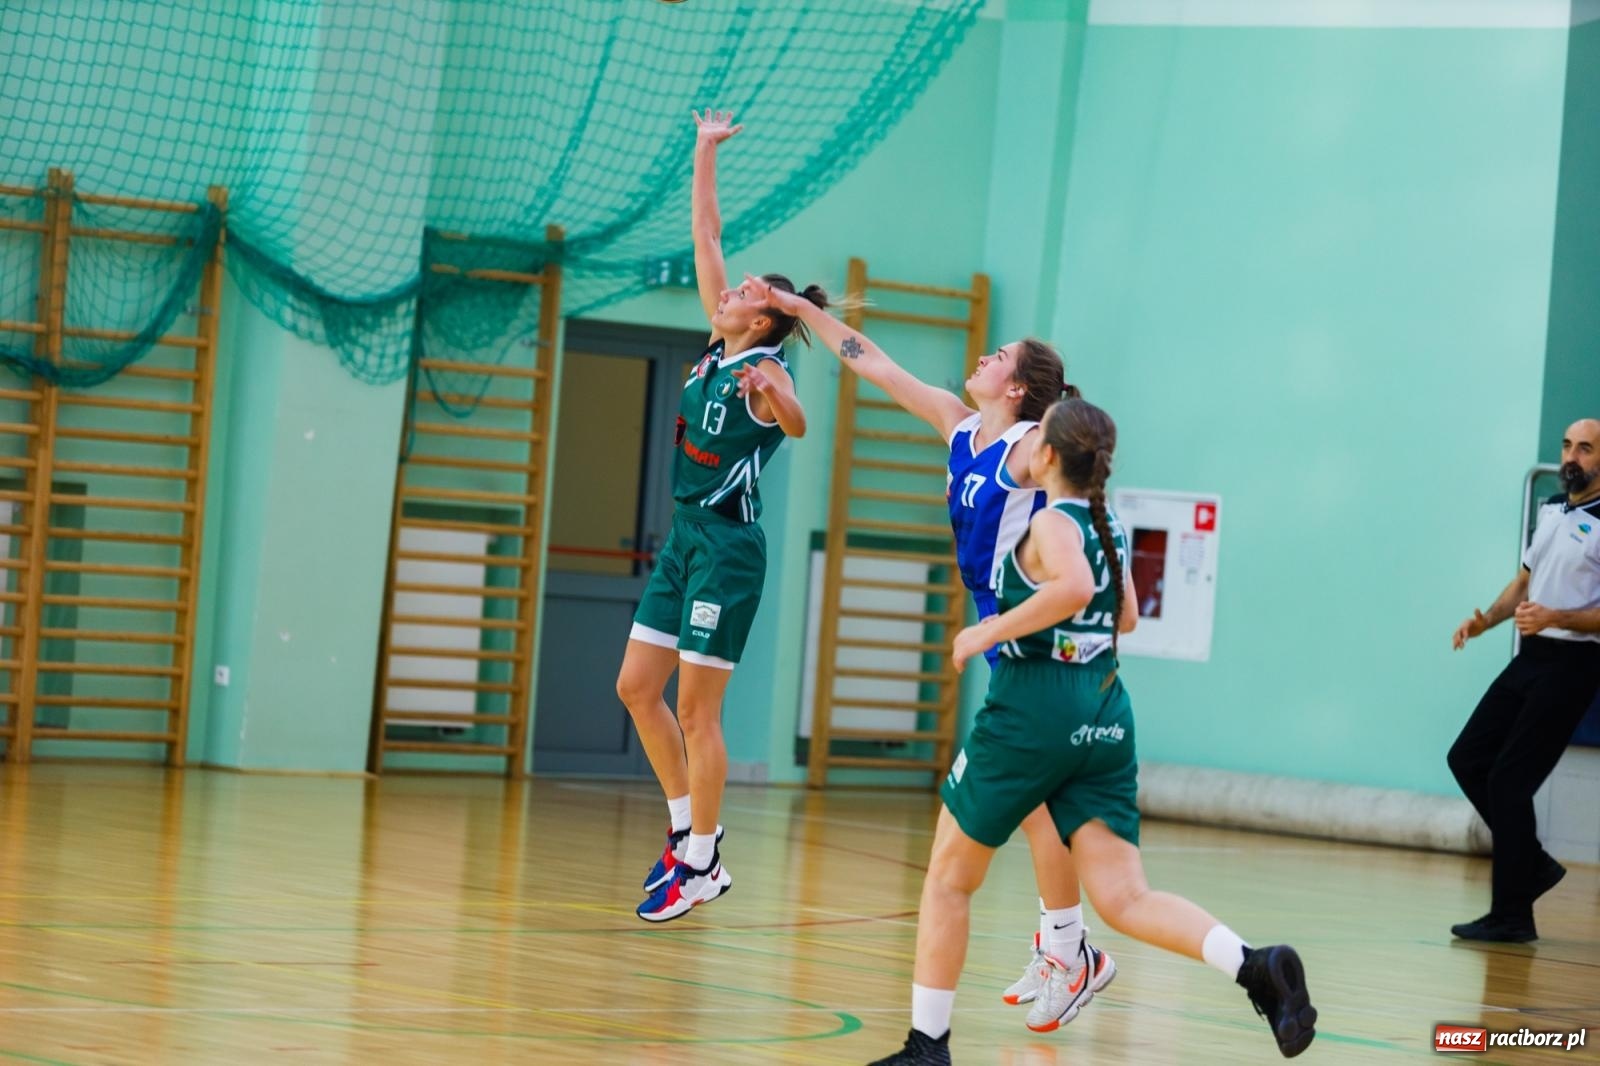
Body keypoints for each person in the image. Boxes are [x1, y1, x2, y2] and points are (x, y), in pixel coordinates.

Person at [866, 398, 1316, 1064]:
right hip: (1104, 710)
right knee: (1126, 897)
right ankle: (1256, 966)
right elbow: (1125, 616)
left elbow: (1076, 590)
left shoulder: (1051, 525)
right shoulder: (1112, 526)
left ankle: (927, 1046)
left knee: (949, 880)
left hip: (1031, 709)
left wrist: (988, 629)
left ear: (1048, 457)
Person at [768, 286, 1114, 1024]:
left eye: (1000, 356)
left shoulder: (1027, 448)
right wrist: (800, 311)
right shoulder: (962, 430)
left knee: (1038, 808)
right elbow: (877, 365)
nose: (982, 356)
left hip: (1030, 633)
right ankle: (1069, 945)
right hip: (1007, 635)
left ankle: (1071, 948)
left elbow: (1078, 460)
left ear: (1017, 387)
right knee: (1037, 809)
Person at [618, 110, 826, 923]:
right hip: (683, 540)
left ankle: (703, 858)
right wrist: (704, 149)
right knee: (637, 688)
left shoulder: (766, 373)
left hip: (729, 550)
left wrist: (780, 399)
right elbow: (707, 235)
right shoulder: (717, 343)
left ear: (765, 321)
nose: (732, 290)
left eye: (746, 294)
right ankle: (684, 832)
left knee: (700, 710)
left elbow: (799, 423)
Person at [1447, 418, 1600, 942]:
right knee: (1466, 757)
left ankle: (1512, 914)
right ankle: (1531, 865)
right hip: (1531, 657)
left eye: (1585, 448)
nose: (1572, 457)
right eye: (1567, 446)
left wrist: (1556, 617)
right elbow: (1524, 583)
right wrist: (1485, 621)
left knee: (1509, 781)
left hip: (1574, 665)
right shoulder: (1553, 510)